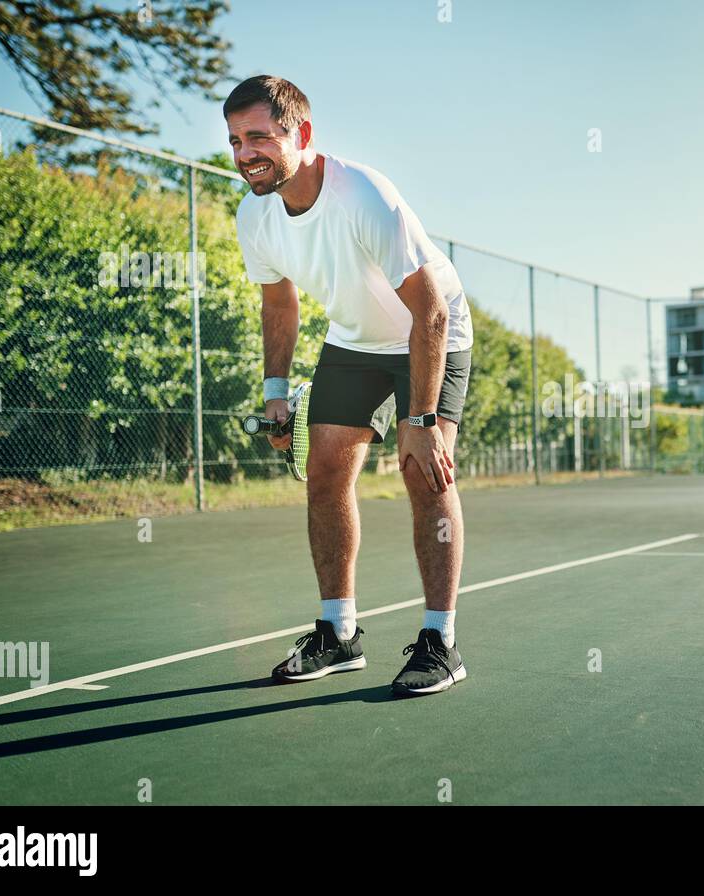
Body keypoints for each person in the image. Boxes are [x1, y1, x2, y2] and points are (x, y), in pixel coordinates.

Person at [226, 75, 472, 697]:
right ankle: (339, 635)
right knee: (327, 471)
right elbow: (279, 306)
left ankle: (440, 642)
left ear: (301, 134)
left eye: (259, 136)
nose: (245, 152)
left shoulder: (364, 196)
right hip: (356, 340)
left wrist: (420, 425)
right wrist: (274, 391)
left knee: (425, 472)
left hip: (432, 329)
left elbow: (431, 312)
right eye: (234, 140)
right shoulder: (254, 214)